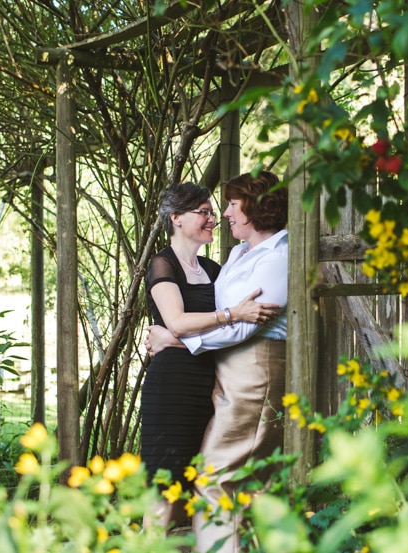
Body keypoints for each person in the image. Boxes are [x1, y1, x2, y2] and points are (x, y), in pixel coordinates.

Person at [146, 170, 288, 553]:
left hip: (243, 373)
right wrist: (183, 336)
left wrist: (177, 341)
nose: (222, 215)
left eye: (228, 205)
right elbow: (223, 314)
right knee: (177, 480)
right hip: (198, 380)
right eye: (208, 210)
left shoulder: (273, 258)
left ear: (254, 207)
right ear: (176, 218)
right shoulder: (236, 254)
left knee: (217, 476)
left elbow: (245, 325)